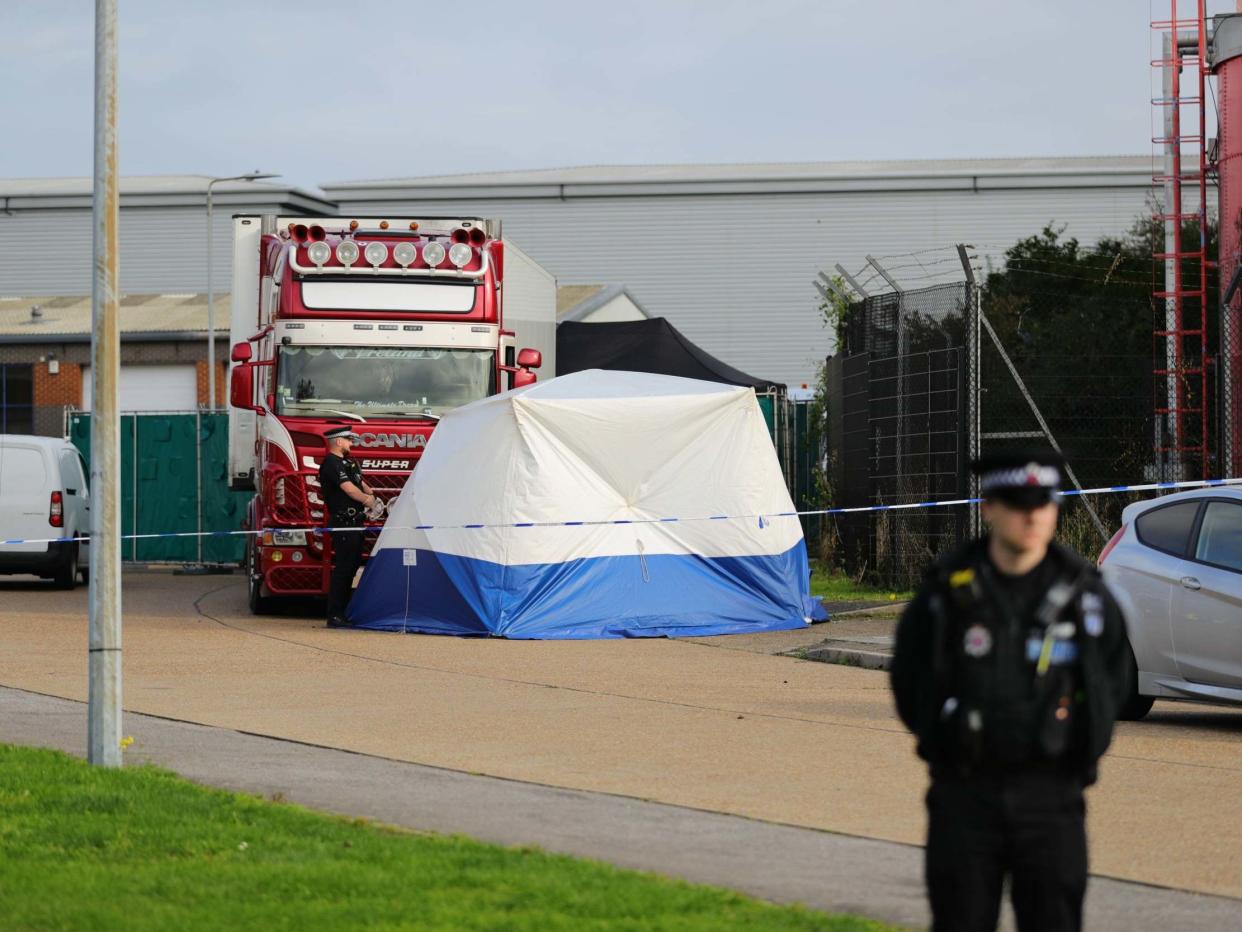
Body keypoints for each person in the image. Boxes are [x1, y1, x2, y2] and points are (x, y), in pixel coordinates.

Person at [890, 450, 1131, 932]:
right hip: (964, 796)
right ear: (988, 507)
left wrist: (1078, 757)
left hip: (1052, 801)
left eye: (1042, 502)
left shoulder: (1085, 597)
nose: (1032, 515)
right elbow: (909, 678)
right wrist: (946, 739)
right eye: (1018, 502)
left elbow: (1113, 680)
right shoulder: (945, 593)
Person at [317, 426, 379, 628]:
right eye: (349, 440)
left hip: (356, 522)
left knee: (351, 567)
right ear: (339, 442)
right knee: (343, 569)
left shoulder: (348, 463)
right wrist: (367, 501)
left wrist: (372, 496)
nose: (352, 444)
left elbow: (360, 483)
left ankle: (343, 612)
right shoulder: (331, 463)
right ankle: (334, 615)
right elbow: (349, 489)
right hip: (344, 522)